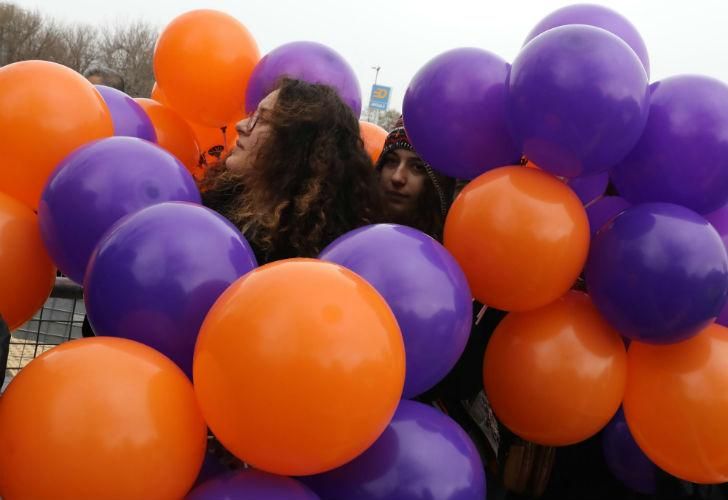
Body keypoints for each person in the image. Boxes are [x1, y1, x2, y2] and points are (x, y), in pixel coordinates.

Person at [201, 78, 383, 264]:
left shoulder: (315, 257)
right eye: (253, 115)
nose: (241, 125)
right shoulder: (214, 205)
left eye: (262, 119)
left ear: (296, 147)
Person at [375, 116, 455, 241]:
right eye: (391, 161)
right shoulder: (350, 229)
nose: (397, 177)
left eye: (417, 167)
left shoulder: (452, 249)